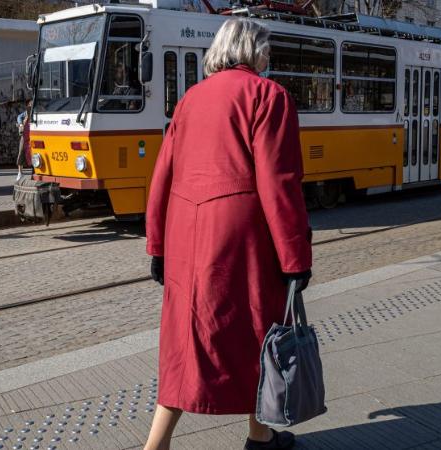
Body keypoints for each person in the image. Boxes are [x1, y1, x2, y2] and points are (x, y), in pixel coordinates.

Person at [144, 18, 312, 450]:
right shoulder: (268, 96)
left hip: (186, 234)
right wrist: (295, 259)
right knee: (255, 331)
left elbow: (162, 176)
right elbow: (280, 183)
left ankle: (159, 444)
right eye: (266, 52)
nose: (268, 60)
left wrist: (158, 245)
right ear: (254, 52)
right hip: (242, 238)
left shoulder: (189, 100)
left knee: (186, 340)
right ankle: (257, 435)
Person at [16, 100, 32, 172]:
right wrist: (21, 124)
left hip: (33, 136)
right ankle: (20, 172)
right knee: (21, 152)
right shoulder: (26, 113)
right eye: (30, 105)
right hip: (25, 136)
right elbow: (19, 117)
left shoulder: (36, 113)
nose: (31, 107)